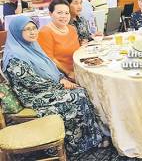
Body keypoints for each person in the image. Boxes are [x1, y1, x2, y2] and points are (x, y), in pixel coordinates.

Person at [2, 15, 108, 154]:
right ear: (17, 32)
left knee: (81, 92)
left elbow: (50, 67)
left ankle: (92, 137)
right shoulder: (15, 56)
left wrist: (61, 78)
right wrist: (61, 85)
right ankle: (76, 144)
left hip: (48, 86)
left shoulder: (32, 46)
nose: (33, 32)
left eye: (34, 28)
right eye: (27, 29)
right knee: (75, 96)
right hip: (32, 96)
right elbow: (32, 83)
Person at [38, 0, 80, 81]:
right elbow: (50, 59)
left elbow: (77, 51)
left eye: (66, 13)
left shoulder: (72, 29)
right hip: (62, 76)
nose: (64, 16)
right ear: (50, 13)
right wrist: (68, 73)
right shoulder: (45, 32)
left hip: (78, 69)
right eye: (59, 13)